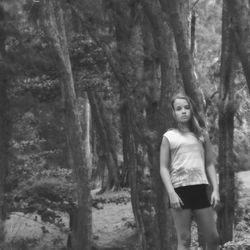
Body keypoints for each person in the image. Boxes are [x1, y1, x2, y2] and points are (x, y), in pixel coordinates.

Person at [160, 93, 220, 250]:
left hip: (200, 190)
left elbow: (209, 164)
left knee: (213, 238)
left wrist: (216, 190)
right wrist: (171, 193)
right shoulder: (169, 136)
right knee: (184, 240)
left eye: (186, 107)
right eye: (179, 109)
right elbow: (163, 167)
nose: (183, 111)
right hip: (179, 192)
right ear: (173, 113)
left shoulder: (201, 135)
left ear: (191, 110)